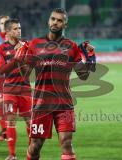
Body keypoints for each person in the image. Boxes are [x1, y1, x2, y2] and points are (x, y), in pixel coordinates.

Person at [20, 8, 96, 160]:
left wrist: (90, 58)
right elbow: (25, 75)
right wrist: (20, 60)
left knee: (66, 143)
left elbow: (83, 75)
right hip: (42, 104)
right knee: (35, 146)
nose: (55, 22)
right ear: (48, 21)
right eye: (53, 19)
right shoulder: (35, 44)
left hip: (64, 103)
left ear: (65, 24)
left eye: (59, 20)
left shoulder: (71, 46)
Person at [0, 19, 32, 160]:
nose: (19, 31)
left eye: (19, 28)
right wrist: (15, 59)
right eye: (16, 28)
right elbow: (1, 70)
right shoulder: (2, 48)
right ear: (8, 32)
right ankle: (12, 155)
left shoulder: (26, 46)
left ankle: (32, 154)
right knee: (10, 121)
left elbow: (29, 71)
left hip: (25, 90)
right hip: (10, 90)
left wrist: (23, 60)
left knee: (30, 122)